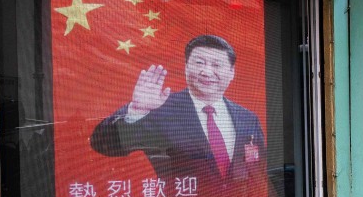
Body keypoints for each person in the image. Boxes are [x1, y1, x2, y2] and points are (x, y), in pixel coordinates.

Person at [90, 34, 264, 185]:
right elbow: (104, 145)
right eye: (199, 63)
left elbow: (258, 172)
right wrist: (137, 110)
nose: (206, 72)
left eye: (217, 65)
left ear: (232, 72)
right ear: (186, 66)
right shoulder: (159, 108)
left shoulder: (247, 117)